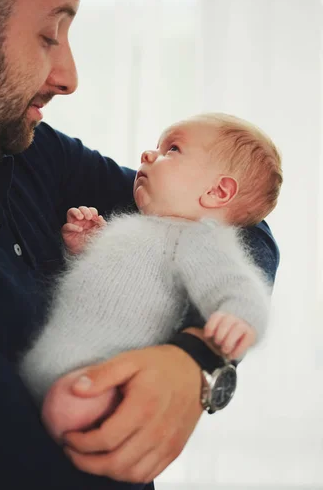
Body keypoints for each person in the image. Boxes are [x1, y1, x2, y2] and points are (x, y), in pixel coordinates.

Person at [0, 0, 280, 490]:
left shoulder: (35, 154)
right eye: (49, 35)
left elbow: (236, 223)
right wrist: (174, 378)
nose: (68, 76)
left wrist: (192, 361)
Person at [20, 113, 282, 438]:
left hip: (102, 374)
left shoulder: (199, 238)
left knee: (65, 407)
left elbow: (237, 284)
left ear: (217, 191)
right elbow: (111, 278)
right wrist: (86, 247)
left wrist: (240, 316)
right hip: (53, 357)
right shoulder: (136, 224)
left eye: (172, 149)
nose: (148, 154)